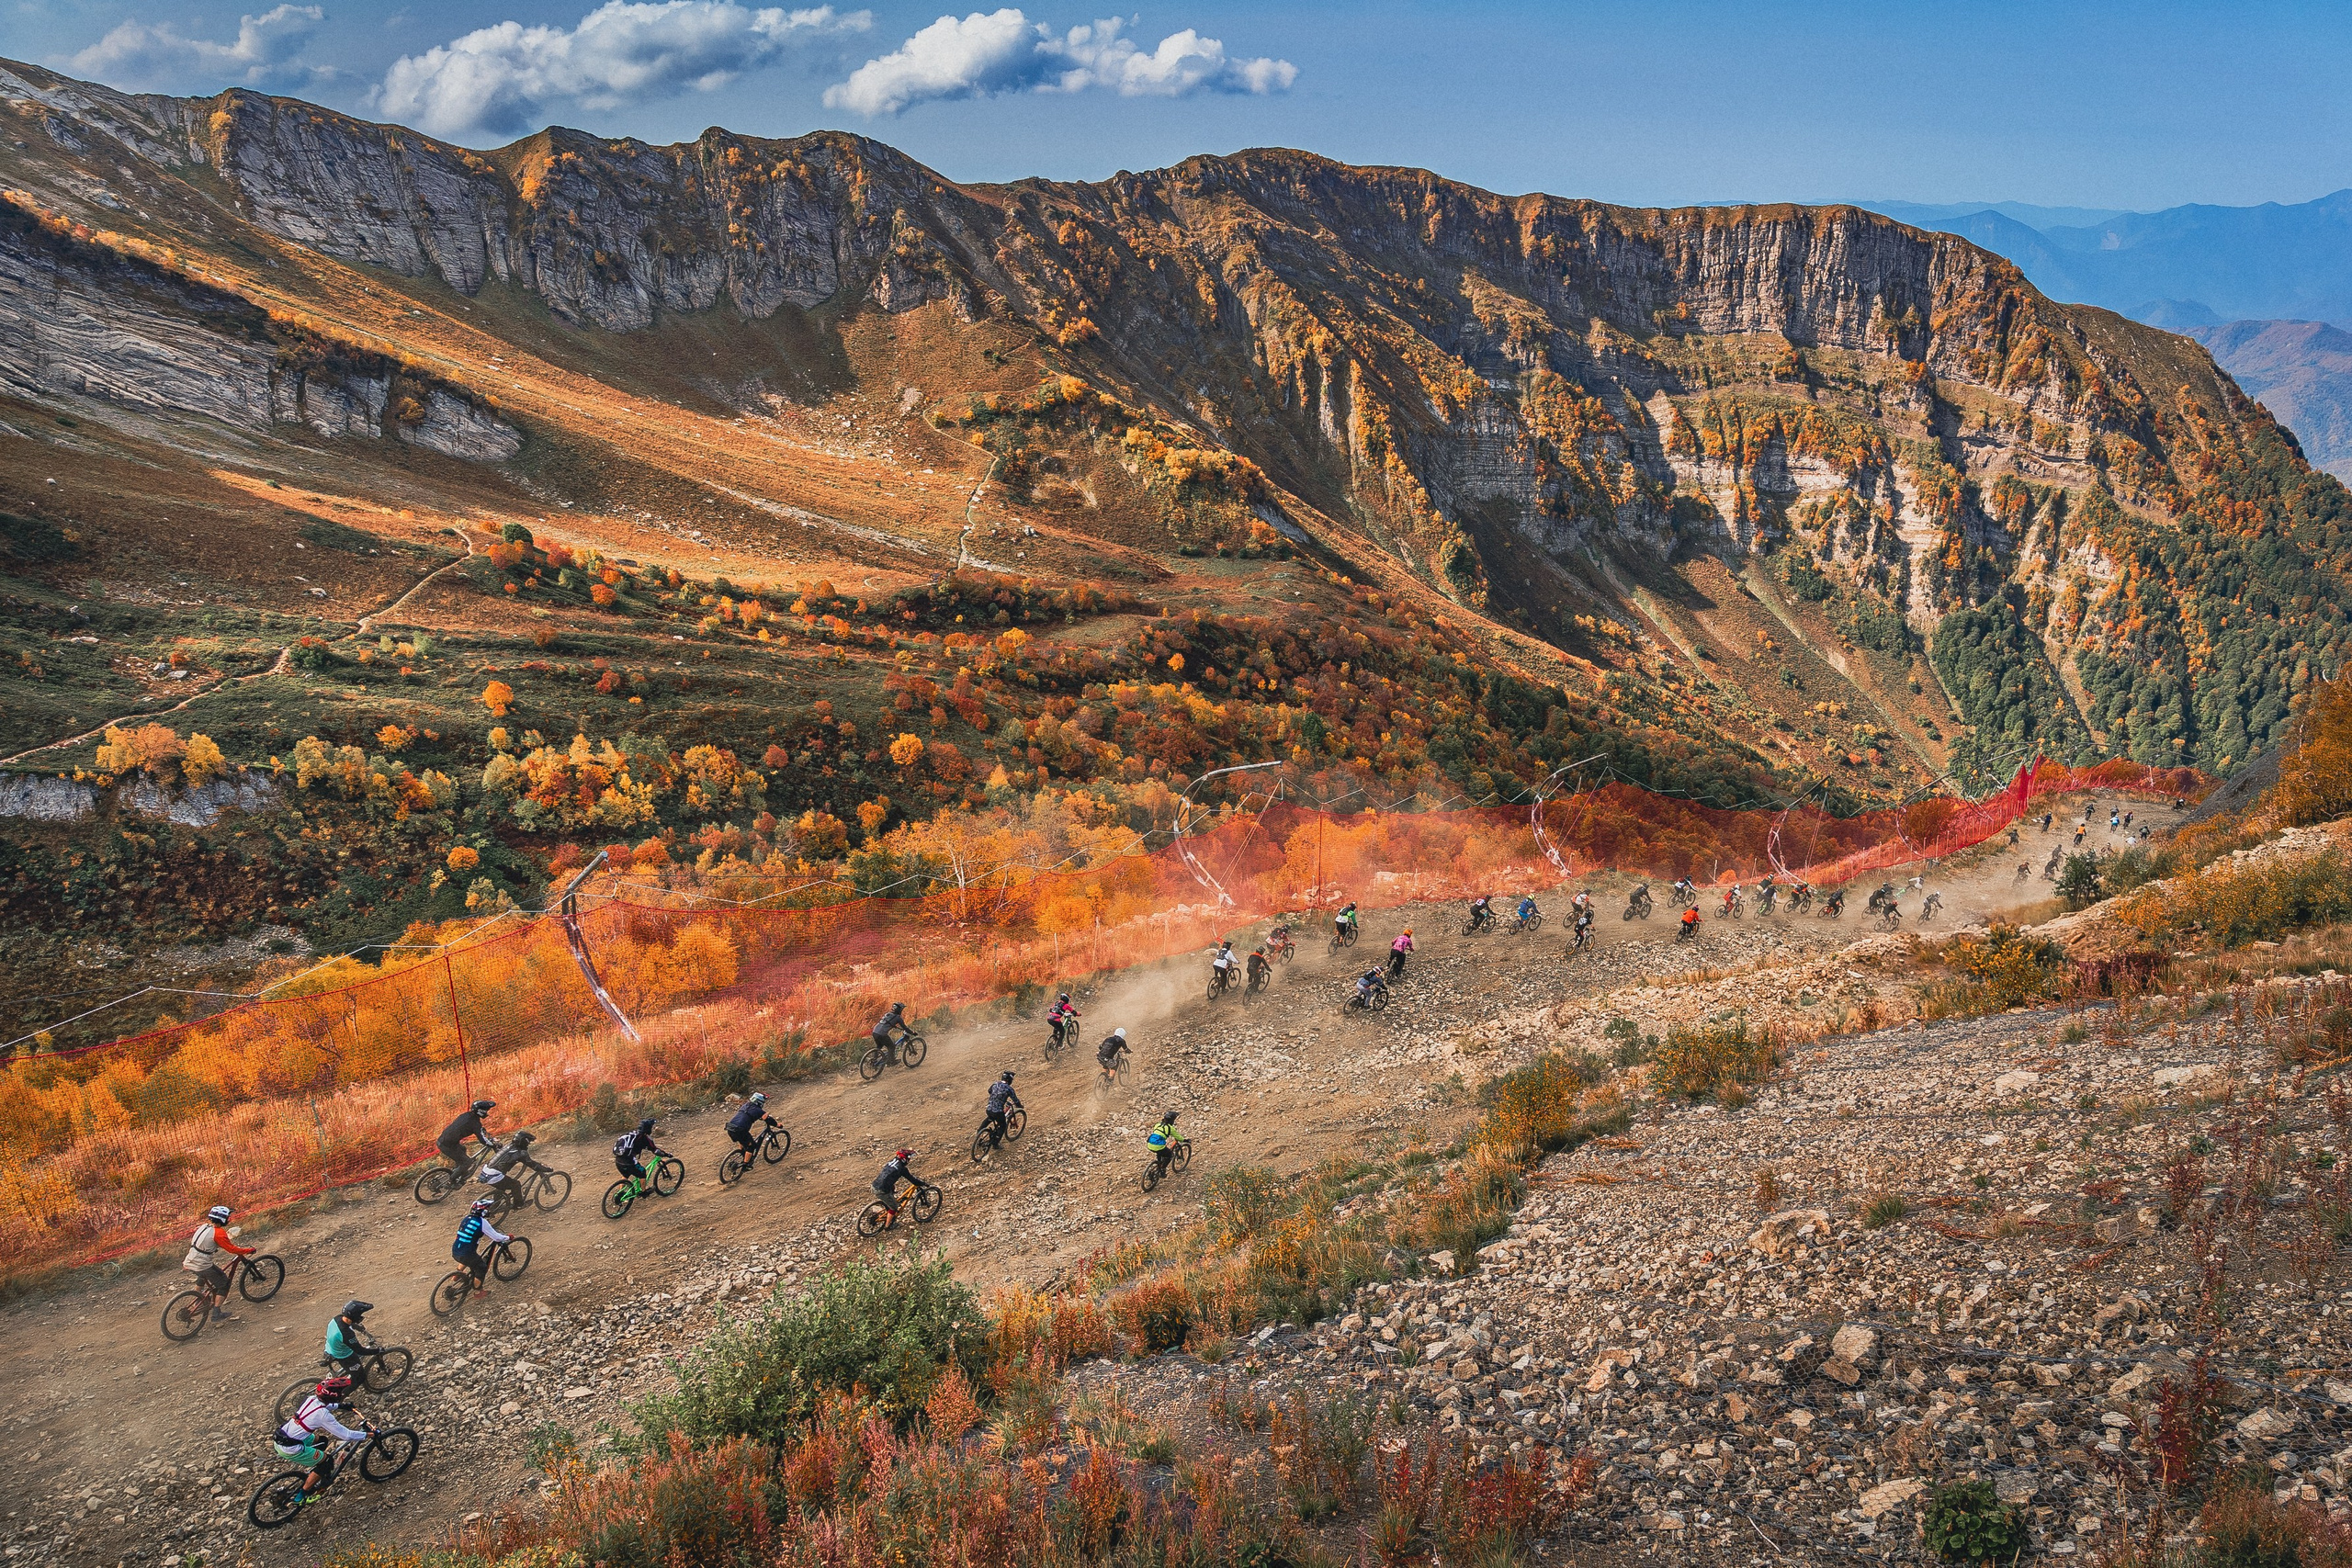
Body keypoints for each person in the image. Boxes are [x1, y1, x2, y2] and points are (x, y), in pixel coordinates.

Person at [273, 1372, 369, 1500]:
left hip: (285, 1437)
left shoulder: (311, 1399)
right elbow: (346, 1435)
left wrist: (342, 1406)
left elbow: (325, 1404)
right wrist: (368, 1434)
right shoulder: (323, 1415)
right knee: (327, 1462)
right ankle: (302, 1496)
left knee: (323, 1441)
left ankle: (316, 1467)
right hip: (291, 1448)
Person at [184, 1204, 254, 1322]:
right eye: (227, 1217)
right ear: (223, 1219)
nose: (228, 1219)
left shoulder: (204, 1227)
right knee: (224, 1283)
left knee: (203, 1275)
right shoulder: (219, 1233)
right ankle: (216, 1313)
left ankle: (197, 1297)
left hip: (190, 1260)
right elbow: (232, 1250)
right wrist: (248, 1250)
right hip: (202, 1263)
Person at [451, 1196, 508, 1294]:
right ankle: (478, 1292)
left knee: (467, 1259)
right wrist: (508, 1237)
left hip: (456, 1250)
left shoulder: (467, 1218)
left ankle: (457, 1275)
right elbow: (497, 1238)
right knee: (481, 1267)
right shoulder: (482, 1222)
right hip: (467, 1253)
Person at [477, 1130, 548, 1205]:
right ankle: (519, 1205)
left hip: (485, 1172)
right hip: (494, 1175)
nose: (528, 1144)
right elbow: (533, 1165)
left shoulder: (508, 1146)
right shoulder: (521, 1153)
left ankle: (495, 1206)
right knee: (516, 1184)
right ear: (524, 1142)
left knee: (501, 1186)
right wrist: (547, 1169)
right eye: (528, 1142)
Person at [436, 1099, 497, 1174]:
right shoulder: (474, 1123)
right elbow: (483, 1140)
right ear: (481, 1111)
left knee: (462, 1149)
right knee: (467, 1163)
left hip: (446, 1141)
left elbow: (481, 1130)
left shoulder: (467, 1115)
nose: (487, 1112)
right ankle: (452, 1181)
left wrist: (488, 1135)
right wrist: (493, 1145)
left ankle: (458, 1171)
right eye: (486, 1110)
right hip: (446, 1145)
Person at [613, 1117, 667, 1188]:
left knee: (625, 1175)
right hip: (629, 1162)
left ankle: (620, 1193)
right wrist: (666, 1154)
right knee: (642, 1172)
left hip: (618, 1160)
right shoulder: (645, 1138)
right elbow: (655, 1150)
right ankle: (644, 1192)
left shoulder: (632, 1134)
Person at [324, 1300, 373, 1374]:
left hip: (330, 1348)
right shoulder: (347, 1334)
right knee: (360, 1378)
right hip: (342, 1355)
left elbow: (348, 1323)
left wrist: (357, 1327)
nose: (360, 1318)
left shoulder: (338, 1318)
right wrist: (378, 1351)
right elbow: (360, 1351)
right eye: (360, 1316)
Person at [725, 1092, 776, 1162]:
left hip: (730, 1127)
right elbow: (768, 1119)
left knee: (742, 1141)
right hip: (740, 1130)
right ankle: (746, 1164)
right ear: (759, 1102)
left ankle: (743, 1153)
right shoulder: (759, 1110)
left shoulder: (745, 1105)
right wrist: (777, 1125)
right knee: (752, 1146)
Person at [873, 1147, 920, 1219]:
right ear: (905, 1159)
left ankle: (889, 1205)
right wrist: (923, 1183)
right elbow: (912, 1180)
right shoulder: (902, 1169)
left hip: (875, 1185)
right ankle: (888, 1226)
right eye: (909, 1159)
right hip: (881, 1190)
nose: (909, 1161)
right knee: (894, 1208)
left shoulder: (893, 1161)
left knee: (892, 1192)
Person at [980, 1072, 1023, 1152]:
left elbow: (989, 1091)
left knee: (989, 1118)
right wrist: (1019, 1106)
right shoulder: (1009, 1089)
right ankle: (995, 1144)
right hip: (998, 1112)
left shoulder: (995, 1084)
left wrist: (996, 1097)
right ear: (1009, 1080)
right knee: (1003, 1125)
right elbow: (1015, 1100)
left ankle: (979, 1133)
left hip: (989, 1109)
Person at [1147, 1110, 1183, 1179]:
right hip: (1158, 1146)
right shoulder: (1170, 1128)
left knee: (1160, 1152)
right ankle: (1162, 1170)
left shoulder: (1157, 1124)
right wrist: (1185, 1140)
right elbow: (1178, 1137)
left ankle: (1158, 1164)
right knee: (1170, 1155)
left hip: (1150, 1143)